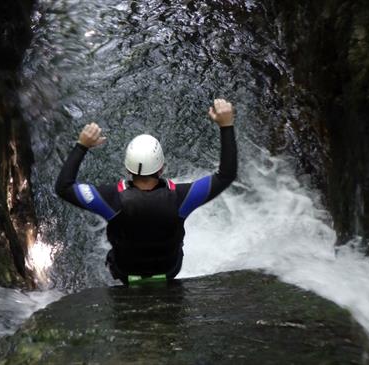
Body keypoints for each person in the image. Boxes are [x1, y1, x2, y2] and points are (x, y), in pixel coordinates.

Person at [55, 99, 237, 284]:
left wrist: (82, 145)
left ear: (127, 170)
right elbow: (225, 176)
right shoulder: (182, 198)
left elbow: (64, 187)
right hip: (169, 270)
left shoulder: (110, 200)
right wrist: (226, 125)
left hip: (125, 272)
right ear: (162, 168)